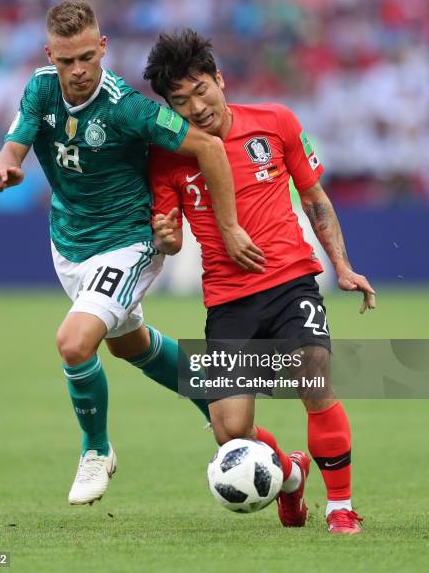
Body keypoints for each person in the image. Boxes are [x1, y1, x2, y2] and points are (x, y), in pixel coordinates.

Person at [0, 1, 265, 507]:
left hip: (130, 240)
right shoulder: (40, 87)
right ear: (50, 55)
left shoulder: (128, 108)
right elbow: (15, 143)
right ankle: (225, 416)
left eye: (87, 58)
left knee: (74, 343)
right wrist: (6, 167)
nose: (78, 71)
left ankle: (97, 450)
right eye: (67, 60)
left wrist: (228, 226)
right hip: (70, 244)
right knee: (128, 345)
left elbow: (207, 146)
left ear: (103, 48)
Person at [145, 29, 376, 535]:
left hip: (290, 284)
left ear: (219, 78)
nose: (196, 107)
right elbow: (173, 242)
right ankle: (290, 475)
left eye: (201, 89)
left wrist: (342, 266)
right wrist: (164, 235)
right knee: (231, 433)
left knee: (315, 384)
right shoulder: (166, 158)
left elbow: (315, 199)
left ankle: (341, 508)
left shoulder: (276, 122)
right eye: (180, 101)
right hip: (228, 302)